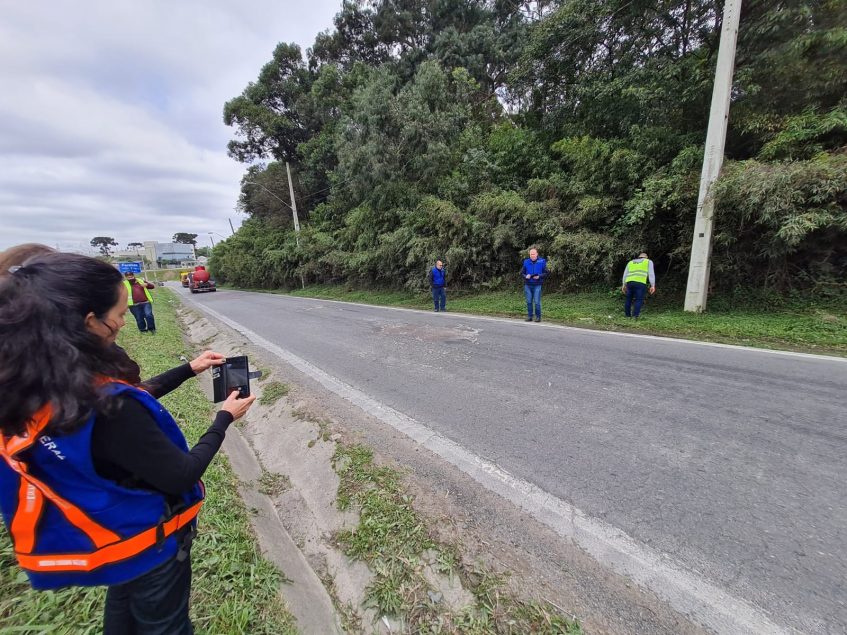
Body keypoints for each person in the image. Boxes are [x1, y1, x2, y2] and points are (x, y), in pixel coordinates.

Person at [0, 252, 256, 634]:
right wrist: (224, 419)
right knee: (166, 625)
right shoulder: (111, 407)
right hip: (151, 544)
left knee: (121, 613)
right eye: (119, 314)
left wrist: (190, 368)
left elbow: (131, 397)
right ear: (90, 321)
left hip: (114, 538)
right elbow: (181, 475)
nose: (123, 322)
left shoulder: (39, 385)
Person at [621, 252, 656, 319]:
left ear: (639, 257)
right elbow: (651, 274)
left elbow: (625, 274)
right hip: (640, 283)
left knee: (628, 299)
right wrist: (652, 285)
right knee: (639, 300)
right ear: (646, 257)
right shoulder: (648, 261)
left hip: (629, 283)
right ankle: (635, 316)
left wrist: (623, 284)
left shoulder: (630, 262)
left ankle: (627, 316)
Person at [520, 248, 548, 322]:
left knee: (537, 302)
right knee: (529, 302)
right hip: (528, 285)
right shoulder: (526, 262)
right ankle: (530, 316)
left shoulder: (542, 261)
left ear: (537, 254)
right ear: (529, 255)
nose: (532, 255)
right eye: (531, 254)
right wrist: (525, 276)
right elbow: (521, 273)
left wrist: (539, 276)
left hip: (537, 285)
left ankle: (538, 317)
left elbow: (546, 273)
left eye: (533, 254)